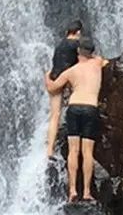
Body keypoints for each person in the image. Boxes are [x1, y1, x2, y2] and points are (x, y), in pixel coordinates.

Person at [44, 36, 108, 204]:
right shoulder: (97, 63)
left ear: (78, 51)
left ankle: (72, 190)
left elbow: (52, 87)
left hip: (74, 109)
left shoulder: (71, 71)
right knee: (88, 152)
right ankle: (86, 192)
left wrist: (47, 76)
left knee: (74, 151)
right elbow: (103, 62)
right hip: (90, 108)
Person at [46, 19, 83, 159]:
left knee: (55, 115)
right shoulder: (75, 44)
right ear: (78, 32)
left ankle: (49, 149)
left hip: (54, 77)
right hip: (66, 79)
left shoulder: (59, 45)